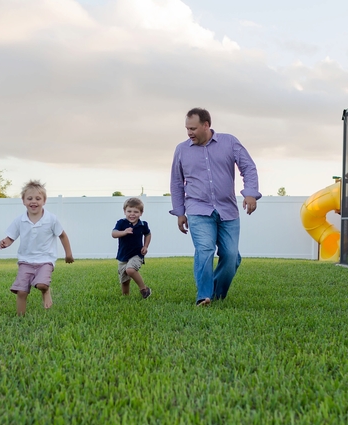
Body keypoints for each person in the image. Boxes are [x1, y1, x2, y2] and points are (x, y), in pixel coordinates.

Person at [169, 108, 261, 306]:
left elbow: (248, 167)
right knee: (205, 249)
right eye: (187, 128)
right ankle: (203, 296)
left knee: (231, 256)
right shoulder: (182, 150)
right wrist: (180, 212)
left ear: (206, 125)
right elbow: (177, 182)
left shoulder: (229, 142)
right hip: (197, 208)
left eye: (193, 128)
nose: (189, 133)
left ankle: (216, 293)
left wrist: (251, 192)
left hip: (227, 210)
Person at [0, 180, 74, 316]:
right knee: (21, 291)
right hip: (25, 261)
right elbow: (11, 237)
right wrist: (5, 242)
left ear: (44, 201)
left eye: (38, 198)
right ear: (23, 201)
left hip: (45, 260)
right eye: (30, 198)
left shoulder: (51, 219)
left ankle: (46, 291)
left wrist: (68, 254)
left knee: (42, 284)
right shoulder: (19, 220)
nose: (34, 201)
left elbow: (62, 235)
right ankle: (20, 317)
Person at [111, 197, 152, 298]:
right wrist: (124, 232)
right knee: (124, 280)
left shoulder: (143, 225)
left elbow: (148, 234)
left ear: (141, 213)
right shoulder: (121, 223)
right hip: (123, 255)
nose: (132, 214)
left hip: (137, 254)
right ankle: (126, 297)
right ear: (124, 211)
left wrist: (145, 246)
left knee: (130, 270)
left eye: (136, 212)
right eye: (129, 211)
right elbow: (114, 234)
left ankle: (144, 289)